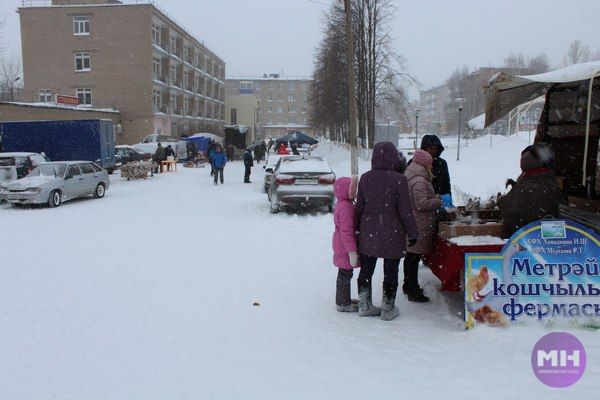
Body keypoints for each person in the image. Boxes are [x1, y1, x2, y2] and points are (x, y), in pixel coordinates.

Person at [356, 141, 418, 321]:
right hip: (393, 233)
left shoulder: (365, 178)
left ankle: (364, 305)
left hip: (369, 231)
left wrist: (356, 229)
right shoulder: (399, 179)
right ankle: (388, 308)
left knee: (366, 270)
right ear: (393, 157)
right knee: (390, 271)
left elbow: (359, 207)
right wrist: (412, 232)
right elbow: (405, 210)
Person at [403, 149, 443, 303]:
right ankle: (413, 290)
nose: (432, 168)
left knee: (410, 256)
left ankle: (408, 285)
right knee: (413, 257)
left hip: (413, 221)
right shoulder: (419, 180)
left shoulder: (410, 175)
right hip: (419, 222)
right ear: (424, 165)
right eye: (430, 165)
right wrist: (437, 201)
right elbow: (421, 204)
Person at [498, 143, 562, 238]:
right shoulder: (549, 180)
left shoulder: (528, 184)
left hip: (526, 239)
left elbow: (509, 208)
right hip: (550, 236)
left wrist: (501, 200)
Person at [332, 177, 360, 312]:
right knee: (345, 273)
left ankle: (344, 299)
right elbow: (347, 231)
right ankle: (342, 303)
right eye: (352, 188)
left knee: (344, 272)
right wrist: (352, 251)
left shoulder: (343, 203)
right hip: (345, 246)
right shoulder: (346, 207)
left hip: (340, 243)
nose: (355, 191)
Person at [419, 135, 452, 207]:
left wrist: (447, 199)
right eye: (431, 148)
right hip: (422, 204)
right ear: (424, 149)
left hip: (440, 204)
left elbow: (446, 184)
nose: (434, 151)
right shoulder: (416, 163)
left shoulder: (442, 163)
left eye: (436, 148)